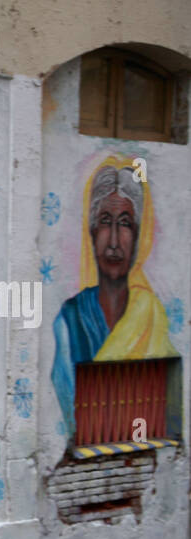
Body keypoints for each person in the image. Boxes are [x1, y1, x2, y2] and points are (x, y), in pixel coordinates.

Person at [51, 158, 178, 439]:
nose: (113, 242)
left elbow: (161, 410)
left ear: (138, 236)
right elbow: (74, 421)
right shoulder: (69, 321)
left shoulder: (151, 316)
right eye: (105, 222)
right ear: (92, 231)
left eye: (125, 224)